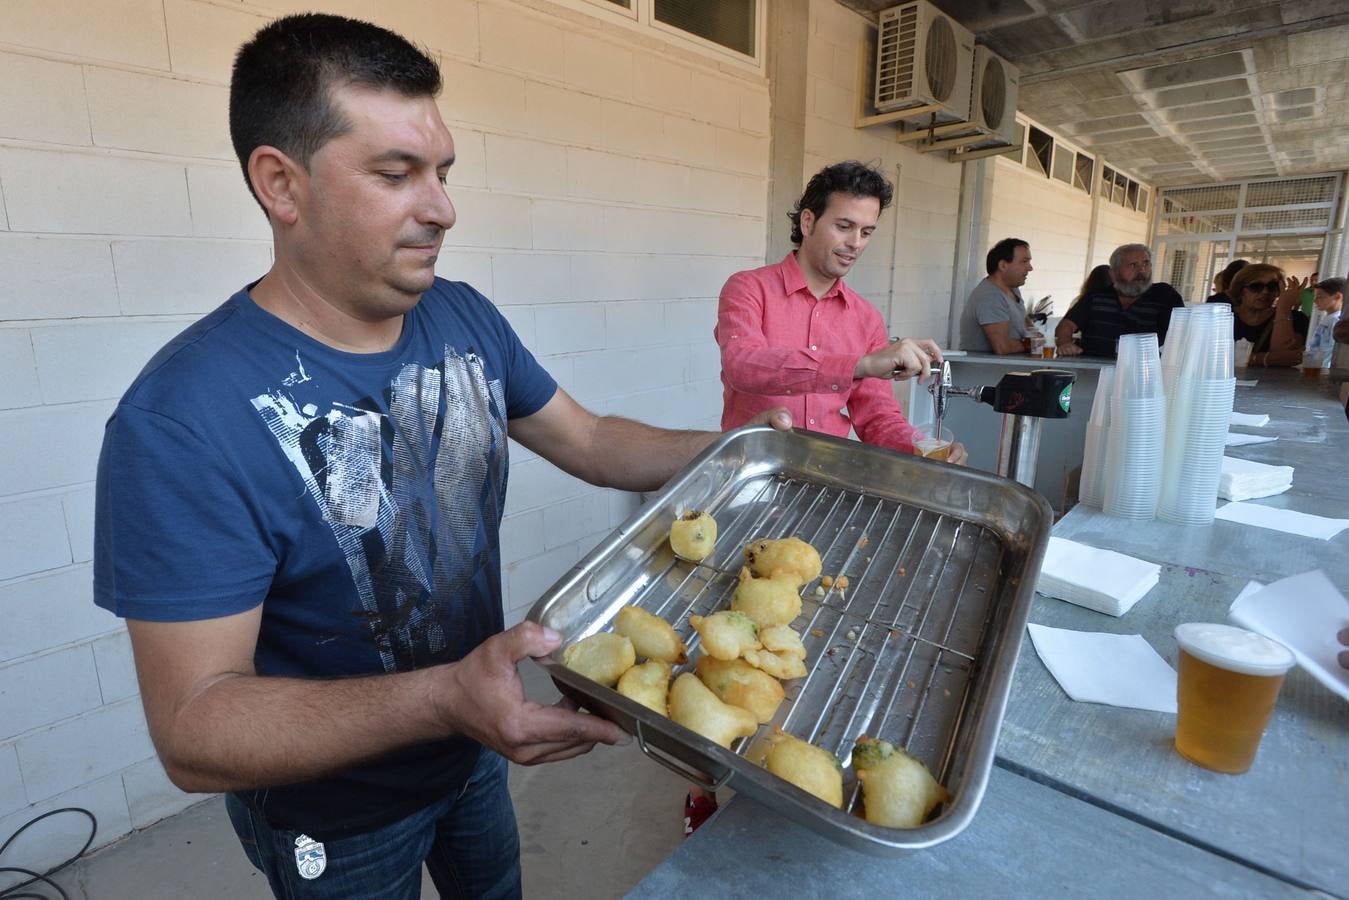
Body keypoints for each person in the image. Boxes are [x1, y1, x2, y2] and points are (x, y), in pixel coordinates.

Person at [92, 15, 791, 899]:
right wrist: (444, 698)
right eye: (396, 174)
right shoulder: (183, 418)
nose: (443, 209)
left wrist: (759, 452)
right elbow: (194, 728)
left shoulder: (462, 318)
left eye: (442, 172)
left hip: (472, 751)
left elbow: (592, 440)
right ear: (281, 184)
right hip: (335, 815)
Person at [715, 160, 968, 464]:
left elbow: (876, 417)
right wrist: (857, 365)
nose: (855, 243)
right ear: (807, 223)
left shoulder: (866, 317)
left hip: (828, 477)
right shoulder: (748, 287)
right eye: (844, 227)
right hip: (751, 471)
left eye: (866, 232)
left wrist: (922, 447)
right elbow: (742, 365)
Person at [1054, 243, 1184, 358]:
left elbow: (1184, 333)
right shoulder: (1096, 297)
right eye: (1133, 265)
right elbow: (1066, 325)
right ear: (1114, 273)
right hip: (1094, 372)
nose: (1142, 270)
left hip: (1142, 373)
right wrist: (1065, 343)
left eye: (1146, 263)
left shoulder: (1164, 295)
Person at [959, 238, 1034, 354]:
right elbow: (1002, 347)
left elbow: (1024, 321)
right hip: (986, 371)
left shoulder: (1012, 289)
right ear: (1003, 265)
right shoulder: (990, 297)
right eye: (1024, 261)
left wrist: (1034, 333)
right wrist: (1033, 343)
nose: (1030, 268)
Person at [1227, 264, 1308, 368]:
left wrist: (1283, 308)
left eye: (1272, 287)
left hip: (1274, 382)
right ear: (1240, 290)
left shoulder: (1297, 318)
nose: (1265, 292)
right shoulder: (1224, 317)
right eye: (1256, 286)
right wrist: (1266, 359)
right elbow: (1214, 355)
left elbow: (1286, 358)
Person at [1306, 276, 1344, 370]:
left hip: (1324, 369)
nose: (1315, 301)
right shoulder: (1329, 318)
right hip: (1316, 368)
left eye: (1319, 297)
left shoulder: (1336, 320)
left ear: (1337, 297)